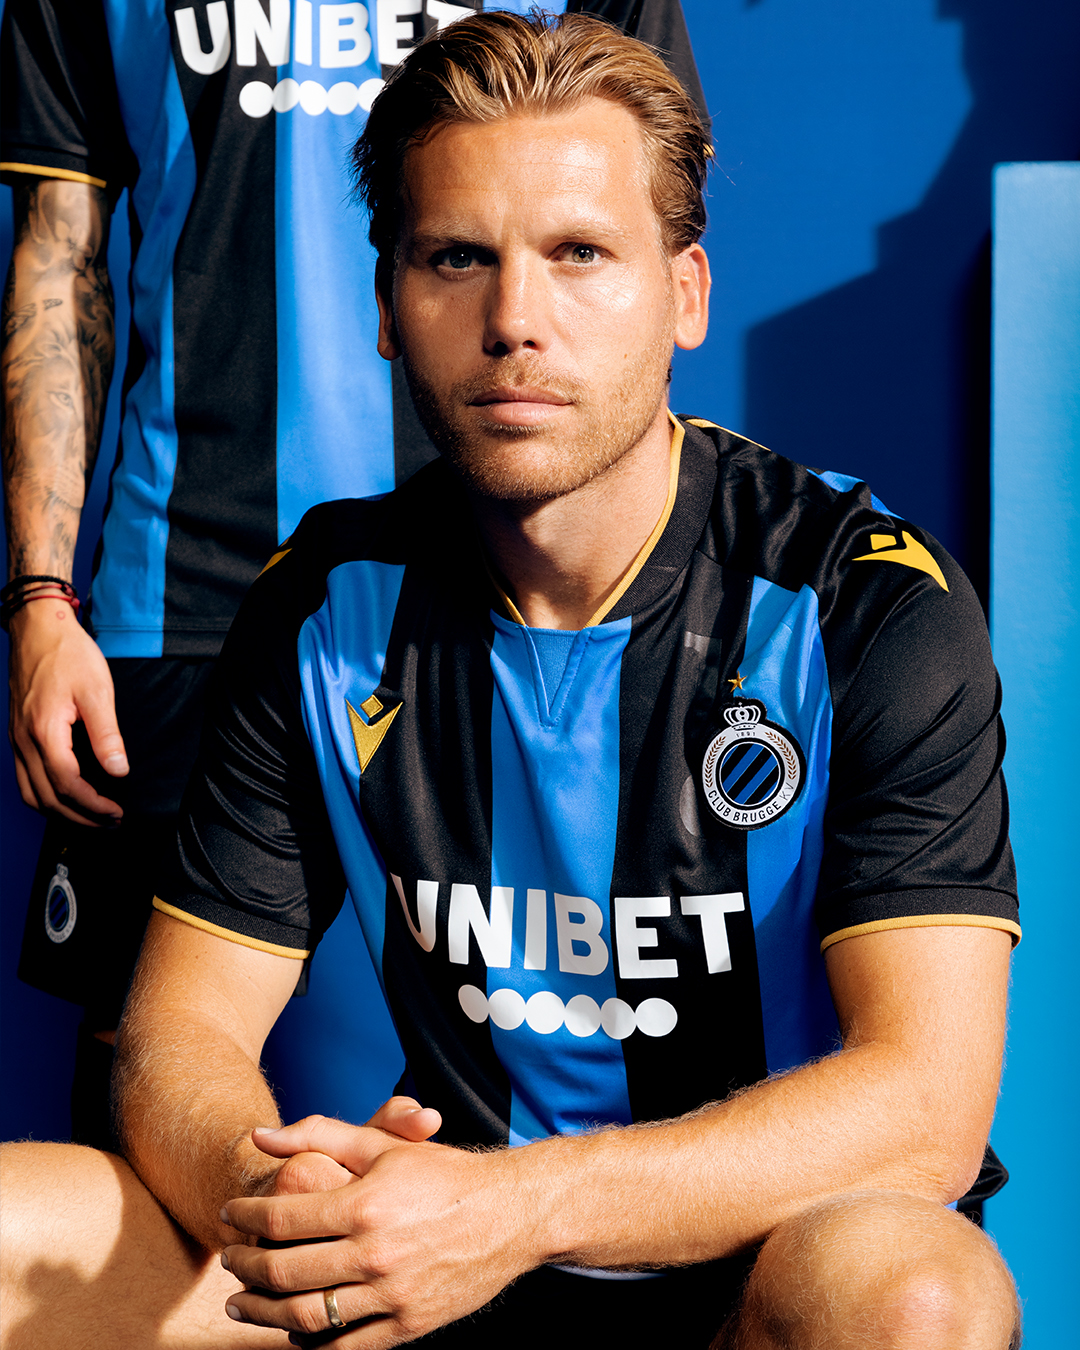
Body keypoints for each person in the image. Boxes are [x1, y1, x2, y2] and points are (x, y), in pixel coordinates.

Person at [0, 12, 1021, 1349]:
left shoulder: (860, 601)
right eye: (456, 258)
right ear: (386, 307)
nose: (514, 322)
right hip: (423, 1260)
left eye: (579, 255)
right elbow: (178, 1032)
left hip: (740, 1266)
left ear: (687, 293)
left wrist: (512, 1209)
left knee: (920, 1297)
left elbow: (926, 1108)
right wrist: (276, 1189)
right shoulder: (321, 602)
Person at [0, 0, 708, 1147]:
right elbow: (56, 254)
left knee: (547, 1040)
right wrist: (40, 597)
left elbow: (636, 216)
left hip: (490, 582)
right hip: (182, 593)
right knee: (153, 1065)